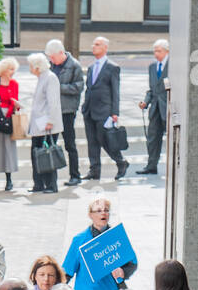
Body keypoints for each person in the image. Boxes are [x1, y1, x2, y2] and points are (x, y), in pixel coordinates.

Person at [62, 193, 138, 290]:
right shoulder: (79, 240)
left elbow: (132, 263)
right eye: (98, 210)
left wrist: (123, 271)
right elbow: (66, 273)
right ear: (90, 215)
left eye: (106, 210)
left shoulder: (116, 237)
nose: (103, 213)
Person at [81, 36, 128, 181]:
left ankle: (121, 162)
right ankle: (94, 170)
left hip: (104, 110)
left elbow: (115, 91)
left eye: (97, 44)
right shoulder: (90, 67)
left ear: (105, 48)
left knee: (105, 140)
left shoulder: (112, 67)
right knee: (92, 142)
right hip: (89, 110)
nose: (93, 46)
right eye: (93, 44)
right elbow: (89, 88)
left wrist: (115, 112)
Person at [46, 39, 84, 186]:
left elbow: (78, 87)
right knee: (50, 144)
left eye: (53, 57)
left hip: (67, 110)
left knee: (70, 144)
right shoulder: (51, 65)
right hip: (53, 110)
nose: (51, 60)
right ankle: (50, 179)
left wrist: (58, 87)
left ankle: (75, 175)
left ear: (61, 53)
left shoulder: (74, 65)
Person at [27, 52, 63, 194]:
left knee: (47, 154)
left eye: (31, 66)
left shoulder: (50, 78)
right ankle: (39, 183)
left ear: (37, 67)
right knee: (37, 153)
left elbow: (53, 102)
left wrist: (50, 121)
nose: (30, 68)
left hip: (46, 124)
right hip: (40, 123)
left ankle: (51, 184)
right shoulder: (43, 77)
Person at [0, 57, 20, 192]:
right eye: (10, 69)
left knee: (8, 148)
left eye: (14, 69)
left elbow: (15, 102)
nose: (12, 72)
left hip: (8, 117)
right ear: (3, 69)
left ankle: (9, 180)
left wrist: (15, 107)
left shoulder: (14, 84)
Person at [137, 41, 169, 175]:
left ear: (166, 51)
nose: (156, 54)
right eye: (154, 51)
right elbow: (152, 90)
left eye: (159, 51)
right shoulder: (152, 67)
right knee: (152, 138)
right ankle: (151, 165)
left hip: (168, 107)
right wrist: (145, 102)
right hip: (155, 108)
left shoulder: (173, 66)